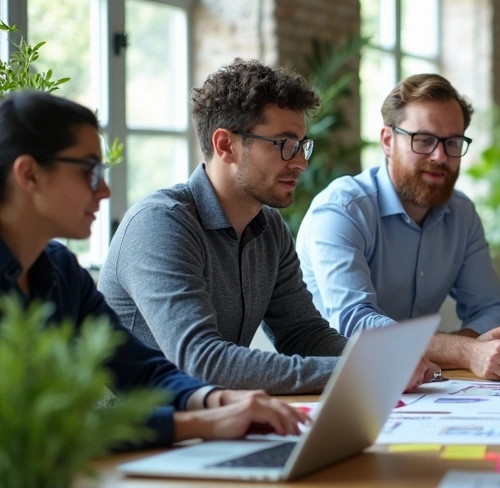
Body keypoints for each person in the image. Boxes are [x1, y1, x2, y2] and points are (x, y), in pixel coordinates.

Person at [100, 59, 437, 394]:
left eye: (302, 145)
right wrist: (364, 370)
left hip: (208, 424)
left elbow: (303, 334)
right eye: (285, 145)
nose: (301, 162)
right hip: (130, 437)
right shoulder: (160, 224)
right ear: (225, 145)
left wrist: (389, 358)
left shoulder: (269, 227)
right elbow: (204, 362)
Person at [0, 91, 308, 447]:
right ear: (29, 174)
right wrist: (202, 422)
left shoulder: (61, 269)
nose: (104, 190)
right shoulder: (160, 221)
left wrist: (218, 400)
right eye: (89, 171)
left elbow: (142, 370)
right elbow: (42, 425)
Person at [297, 74, 500, 382]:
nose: (440, 156)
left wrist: (454, 350)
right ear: (387, 141)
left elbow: (494, 312)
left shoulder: (461, 214)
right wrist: (464, 351)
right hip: (331, 388)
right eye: (423, 140)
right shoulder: (342, 210)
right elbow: (355, 326)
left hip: (421, 388)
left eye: (452, 143)